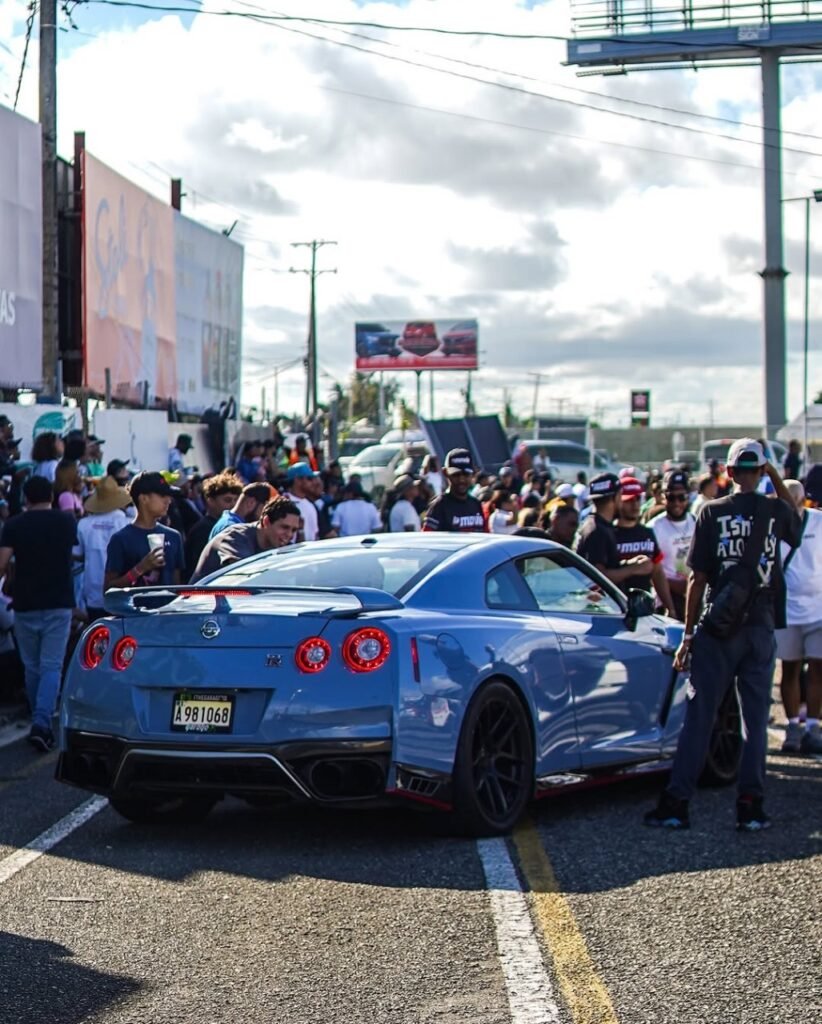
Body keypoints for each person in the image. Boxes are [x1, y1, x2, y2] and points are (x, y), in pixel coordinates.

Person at [644, 440, 802, 832]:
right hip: (760, 625)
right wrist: (773, 473)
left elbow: (697, 578)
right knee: (755, 722)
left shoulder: (712, 511)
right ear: (761, 471)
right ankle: (751, 806)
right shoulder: (773, 510)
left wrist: (688, 635)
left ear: (728, 473)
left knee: (700, 716)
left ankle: (677, 804)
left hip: (718, 627)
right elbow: (796, 526)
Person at [0, 475, 77, 751]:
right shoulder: (66, 522)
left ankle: (38, 717)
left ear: (26, 498)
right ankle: (42, 722)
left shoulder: (14, 525)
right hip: (58, 601)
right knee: (51, 665)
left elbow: (2, 563)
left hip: (25, 603)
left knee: (31, 666)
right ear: (51, 497)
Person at [775, 480, 822, 755]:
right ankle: (793, 726)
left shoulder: (818, 522)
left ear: (804, 500)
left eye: (795, 500)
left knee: (818, 668)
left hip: (818, 609)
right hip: (788, 609)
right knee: (790, 669)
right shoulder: (773, 525)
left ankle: (813, 727)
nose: (791, 506)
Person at [104, 471, 185, 591]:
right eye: (162, 495)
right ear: (144, 498)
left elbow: (177, 586)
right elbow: (108, 589)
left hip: (168, 604)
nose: (168, 500)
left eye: (169, 495)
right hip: (134, 604)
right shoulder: (121, 539)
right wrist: (140, 568)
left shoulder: (174, 536)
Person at [190, 497, 301, 582]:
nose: (289, 535)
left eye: (294, 530)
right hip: (201, 601)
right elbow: (244, 576)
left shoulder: (281, 545)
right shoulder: (235, 537)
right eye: (284, 527)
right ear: (266, 521)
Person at [574, 473, 654, 589]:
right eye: (620, 495)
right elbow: (597, 577)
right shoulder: (597, 531)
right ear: (615, 497)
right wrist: (633, 568)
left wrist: (629, 563)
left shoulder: (597, 525)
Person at [613, 477, 676, 615]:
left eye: (637, 499)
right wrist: (632, 567)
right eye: (629, 500)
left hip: (644, 609)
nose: (635, 505)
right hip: (616, 609)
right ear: (618, 501)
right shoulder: (609, 534)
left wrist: (670, 607)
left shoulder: (647, 533)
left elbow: (657, 572)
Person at [76, 476, 132, 621]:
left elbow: (77, 554)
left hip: (93, 589)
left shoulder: (83, 524)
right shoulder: (126, 523)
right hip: (121, 588)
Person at [649, 470, 697, 621]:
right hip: (666, 599)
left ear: (688, 496)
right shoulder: (653, 528)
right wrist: (674, 585)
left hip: (693, 595)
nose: (677, 503)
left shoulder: (696, 523)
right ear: (663, 497)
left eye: (681, 497)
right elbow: (649, 570)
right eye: (671, 497)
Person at [184, 472, 244, 575]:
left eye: (236, 500)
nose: (233, 504)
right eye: (227, 500)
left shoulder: (234, 523)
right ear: (210, 501)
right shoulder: (201, 530)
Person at [422, 449, 487, 532]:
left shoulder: (476, 505)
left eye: (466, 474)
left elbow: (486, 535)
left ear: (473, 474)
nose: (461, 479)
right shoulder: (439, 506)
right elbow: (426, 536)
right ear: (445, 473)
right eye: (456, 475)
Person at [209, 482, 274, 540]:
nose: (266, 514)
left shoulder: (233, 523)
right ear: (250, 503)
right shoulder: (231, 528)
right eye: (266, 507)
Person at [283, 462, 321, 542]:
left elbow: (315, 535)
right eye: (309, 479)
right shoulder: (284, 502)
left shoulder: (311, 505)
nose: (313, 482)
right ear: (298, 480)